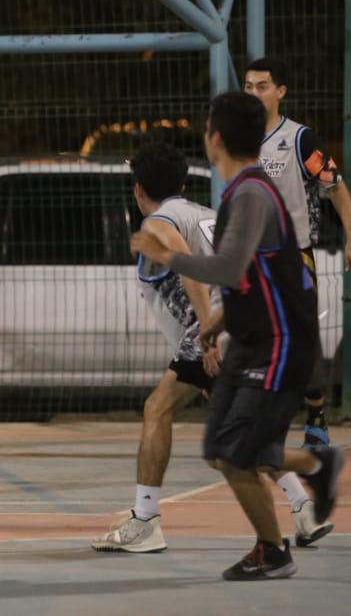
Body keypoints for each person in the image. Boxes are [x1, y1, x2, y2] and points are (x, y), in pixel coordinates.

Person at [133, 92, 344, 581]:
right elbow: (252, 273)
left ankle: (275, 546)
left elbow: (227, 268)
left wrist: (168, 258)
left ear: (216, 138)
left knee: (233, 449)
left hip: (277, 340)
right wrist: (216, 325)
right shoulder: (236, 194)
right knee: (223, 449)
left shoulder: (250, 191)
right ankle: (314, 471)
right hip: (249, 334)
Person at [93, 143, 332, 554]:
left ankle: (145, 521)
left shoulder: (158, 223)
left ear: (137, 190)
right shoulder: (208, 215)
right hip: (250, 322)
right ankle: (305, 506)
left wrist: (207, 332)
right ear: (184, 183)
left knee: (158, 408)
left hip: (215, 329)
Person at [244, 57, 351, 449]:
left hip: (291, 256)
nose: (253, 93)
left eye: (262, 86)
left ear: (280, 92)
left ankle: (315, 409)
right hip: (249, 258)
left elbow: (336, 186)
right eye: (248, 86)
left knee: (299, 340)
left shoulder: (299, 139)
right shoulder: (236, 140)